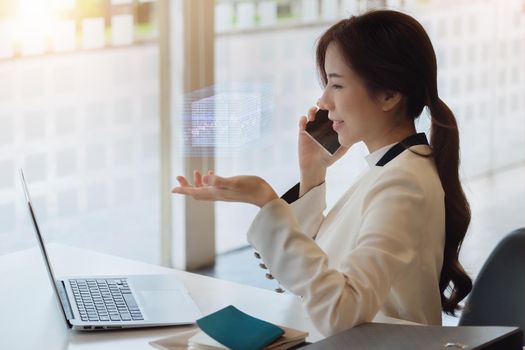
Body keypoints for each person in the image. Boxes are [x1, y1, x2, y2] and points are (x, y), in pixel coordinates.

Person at [172, 10, 472, 336]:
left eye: (337, 85)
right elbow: (320, 276)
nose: (323, 100)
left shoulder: (402, 184)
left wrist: (267, 201)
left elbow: (340, 310)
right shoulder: (391, 169)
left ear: (389, 95)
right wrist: (311, 174)